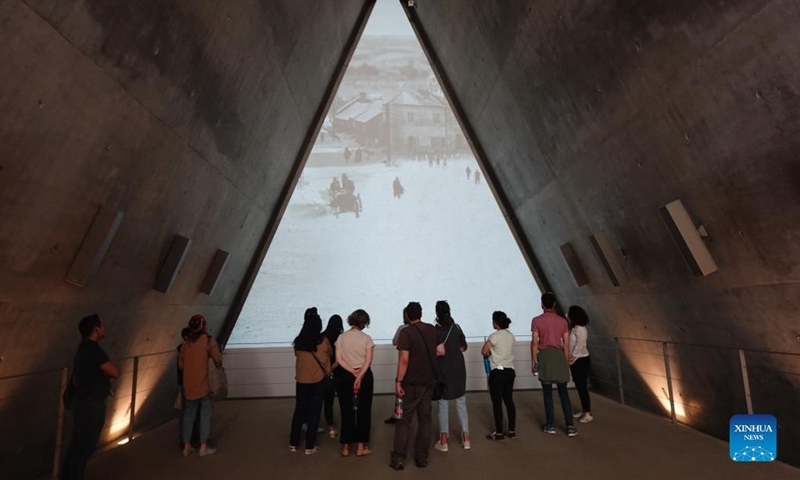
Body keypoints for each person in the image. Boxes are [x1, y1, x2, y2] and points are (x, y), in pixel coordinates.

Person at [60, 314, 120, 480]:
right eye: (102, 325)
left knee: (76, 446)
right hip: (91, 406)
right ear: (96, 329)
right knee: (84, 448)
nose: (104, 328)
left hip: (81, 403)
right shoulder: (93, 350)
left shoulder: (82, 348)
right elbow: (114, 371)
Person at [390, 302, 438, 470]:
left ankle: (398, 458)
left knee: (404, 420)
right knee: (425, 420)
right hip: (428, 382)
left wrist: (398, 381)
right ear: (421, 314)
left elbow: (404, 360)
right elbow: (440, 350)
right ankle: (421, 457)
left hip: (410, 383)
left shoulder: (406, 333)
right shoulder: (431, 329)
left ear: (407, 316)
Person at [531, 292, 577, 437]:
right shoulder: (563, 321)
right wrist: (566, 359)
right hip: (559, 356)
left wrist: (533, 360)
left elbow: (534, 342)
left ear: (542, 304)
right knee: (563, 393)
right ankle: (570, 426)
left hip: (545, 356)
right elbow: (566, 344)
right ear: (554, 304)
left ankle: (550, 424)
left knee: (547, 393)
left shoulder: (536, 320)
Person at [289, 308, 332, 454]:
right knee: (314, 412)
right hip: (318, 380)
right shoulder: (323, 341)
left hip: (301, 380)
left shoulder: (298, 342)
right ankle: (310, 446)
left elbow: (297, 356)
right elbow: (329, 354)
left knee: (299, 410)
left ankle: (293, 443)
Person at [180, 314, 223, 456]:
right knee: (205, 414)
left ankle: (187, 445)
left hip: (188, 386)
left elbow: (181, 365)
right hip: (205, 385)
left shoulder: (186, 344)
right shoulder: (208, 341)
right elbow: (218, 358)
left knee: (188, 414)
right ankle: (203, 446)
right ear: (203, 326)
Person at [335, 309, 375, 458]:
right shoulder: (367, 339)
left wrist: (352, 373)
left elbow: (339, 360)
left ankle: (345, 447)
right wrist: (359, 376)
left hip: (345, 376)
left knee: (346, 410)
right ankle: (360, 447)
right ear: (365, 322)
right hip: (364, 376)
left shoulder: (341, 338)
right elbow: (368, 361)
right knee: (364, 411)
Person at [433, 301, 470, 452]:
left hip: (443, 368)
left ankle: (444, 440)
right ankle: (466, 438)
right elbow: (464, 347)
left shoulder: (435, 331)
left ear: (436, 313)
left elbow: (435, 351)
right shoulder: (456, 327)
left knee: (443, 403)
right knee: (461, 401)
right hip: (459, 368)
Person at [481, 311, 516, 440]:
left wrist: (490, 353)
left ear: (496, 323)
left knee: (497, 403)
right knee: (509, 401)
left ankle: (499, 432)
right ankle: (512, 430)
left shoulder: (494, 336)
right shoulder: (510, 335)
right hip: (510, 371)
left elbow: (483, 351)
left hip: (497, 372)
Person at [568, 306, 593, 423]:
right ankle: (584, 410)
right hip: (574, 360)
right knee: (579, 385)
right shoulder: (574, 328)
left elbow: (580, 345)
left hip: (581, 360)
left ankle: (588, 412)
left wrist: (572, 357)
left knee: (582, 386)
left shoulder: (581, 329)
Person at [385, 308, 410, 424]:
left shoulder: (402, 328)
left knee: (400, 391)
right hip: (419, 365)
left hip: (404, 363)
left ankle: (398, 414)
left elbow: (395, 342)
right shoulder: (422, 329)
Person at [321, 314, 344, 438]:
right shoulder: (342, 337)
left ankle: (330, 426)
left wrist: (328, 369)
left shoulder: (323, 337)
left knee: (328, 401)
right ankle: (346, 421)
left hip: (326, 373)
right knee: (343, 398)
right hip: (340, 372)